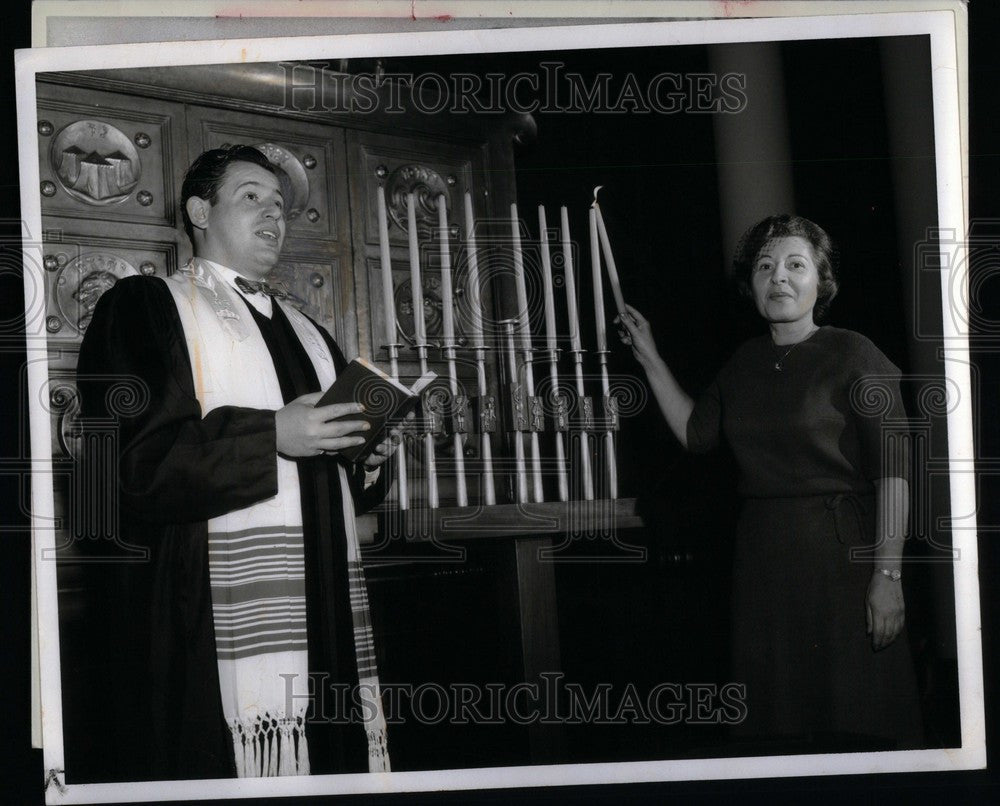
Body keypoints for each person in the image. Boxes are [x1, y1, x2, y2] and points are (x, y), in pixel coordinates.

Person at [76, 145, 401, 780]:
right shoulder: (144, 307)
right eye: (251, 197)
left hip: (322, 594)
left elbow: (342, 486)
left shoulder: (310, 330)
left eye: (279, 203)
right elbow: (127, 469)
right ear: (199, 210)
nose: (274, 214)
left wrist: (365, 456)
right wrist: (272, 434)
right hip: (199, 600)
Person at [617, 214, 923, 750]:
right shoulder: (743, 363)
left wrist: (889, 577)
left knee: (857, 726)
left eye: (795, 265)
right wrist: (650, 359)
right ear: (750, 285)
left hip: (842, 564)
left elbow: (894, 473)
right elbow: (695, 433)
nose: (778, 277)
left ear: (821, 282)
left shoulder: (854, 352)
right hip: (762, 569)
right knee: (777, 731)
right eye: (765, 266)